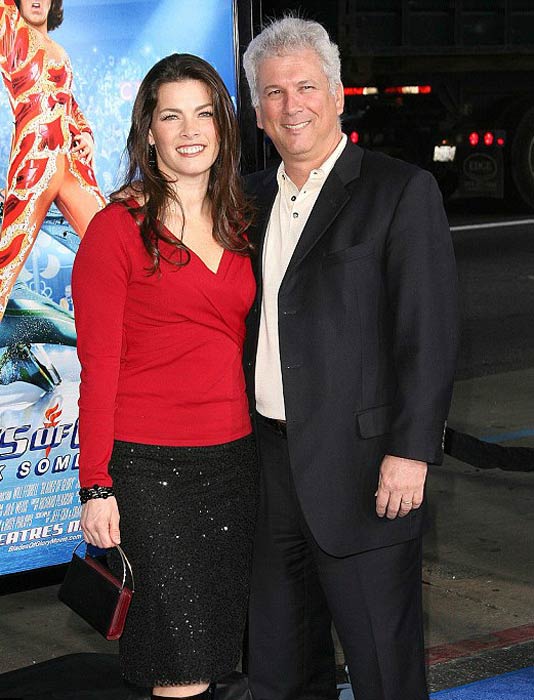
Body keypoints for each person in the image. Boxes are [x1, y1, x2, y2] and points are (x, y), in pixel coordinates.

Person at [242, 16, 459, 700]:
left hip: (366, 474)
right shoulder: (245, 201)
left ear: (338, 94)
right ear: (257, 111)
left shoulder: (398, 191)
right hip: (268, 474)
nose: (291, 104)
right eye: (274, 93)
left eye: (306, 86)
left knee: (382, 671)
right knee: (279, 671)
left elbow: (428, 334)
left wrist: (412, 452)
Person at [71, 53, 258, 699]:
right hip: (150, 471)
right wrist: (96, 485)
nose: (189, 129)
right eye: (170, 115)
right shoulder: (115, 230)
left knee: (212, 649)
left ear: (224, 126)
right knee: (178, 659)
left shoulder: (243, 224)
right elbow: (99, 368)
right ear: (148, 131)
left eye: (203, 113)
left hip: (234, 463)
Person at [0, 0, 106, 320]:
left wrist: (86, 134)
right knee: (7, 262)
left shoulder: (59, 50)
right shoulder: (12, 35)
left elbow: (68, 103)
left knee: (114, 240)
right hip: (34, 160)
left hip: (69, 162)